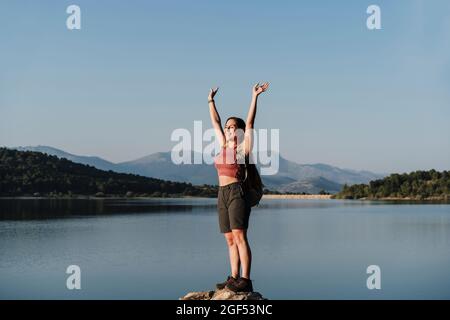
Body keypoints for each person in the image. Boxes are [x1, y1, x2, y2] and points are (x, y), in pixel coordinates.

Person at [208, 82, 269, 292]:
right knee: (229, 239)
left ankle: (245, 279)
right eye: (228, 127)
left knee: (240, 236)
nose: (229, 129)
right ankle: (233, 277)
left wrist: (255, 97)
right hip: (222, 194)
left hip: (237, 193)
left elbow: (251, 122)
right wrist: (211, 100)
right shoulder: (223, 144)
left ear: (241, 130)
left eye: (233, 126)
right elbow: (215, 122)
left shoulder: (244, 147)